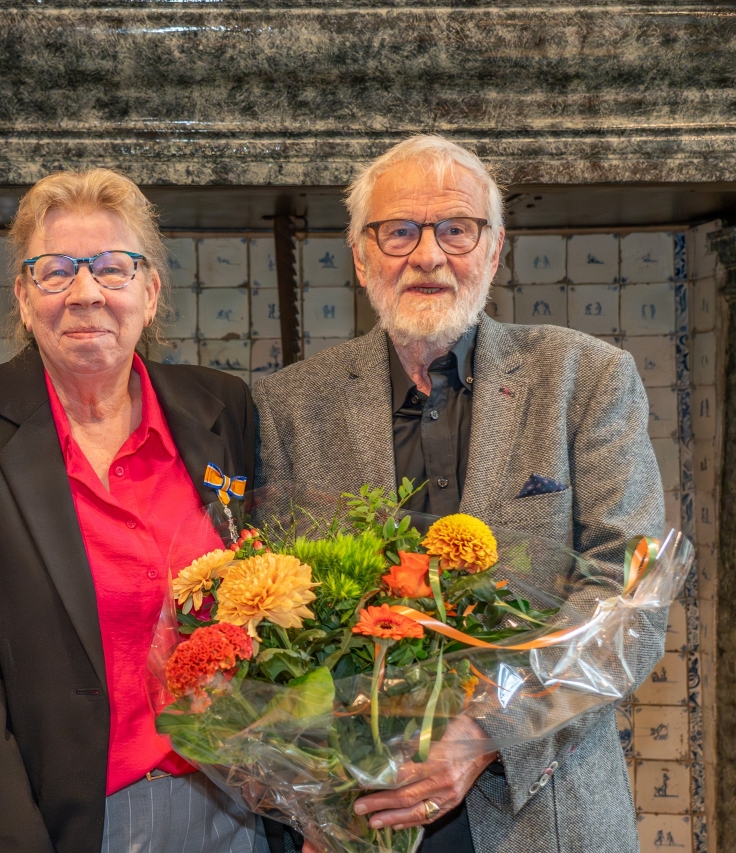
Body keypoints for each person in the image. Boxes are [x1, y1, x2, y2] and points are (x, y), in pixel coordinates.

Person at [254, 135, 665, 853]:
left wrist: (484, 734)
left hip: (542, 811)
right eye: (399, 230)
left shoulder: (587, 378)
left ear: (494, 248)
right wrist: (310, 798)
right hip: (356, 818)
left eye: (456, 228)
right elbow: (268, 626)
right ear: (359, 255)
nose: (428, 255)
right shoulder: (288, 405)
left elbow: (626, 606)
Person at [0, 169, 264, 853]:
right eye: (55, 271)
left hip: (231, 805)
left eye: (112, 268)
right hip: (62, 818)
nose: (86, 292)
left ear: (151, 292)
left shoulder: (223, 408)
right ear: (22, 294)